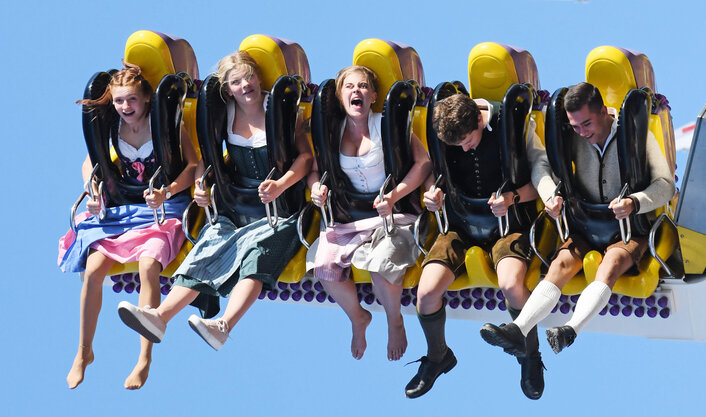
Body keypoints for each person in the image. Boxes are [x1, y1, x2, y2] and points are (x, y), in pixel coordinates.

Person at [116, 51, 312, 355]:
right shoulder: (226, 114)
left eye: (249, 77)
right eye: (236, 81)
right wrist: (201, 185)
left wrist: (281, 184)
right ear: (227, 88)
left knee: (255, 257)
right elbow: (207, 161)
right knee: (205, 249)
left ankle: (224, 326)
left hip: (279, 210)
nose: (245, 85)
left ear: (258, 78)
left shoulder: (281, 111)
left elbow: (305, 157)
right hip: (236, 204)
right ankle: (159, 317)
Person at [480, 82, 675, 368]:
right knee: (560, 264)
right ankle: (518, 329)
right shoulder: (573, 137)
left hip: (629, 227)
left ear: (603, 113)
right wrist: (550, 195)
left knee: (612, 262)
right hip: (584, 222)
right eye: (575, 126)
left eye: (587, 123)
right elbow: (541, 167)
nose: (582, 132)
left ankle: (570, 329)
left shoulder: (636, 136)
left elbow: (666, 185)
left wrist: (635, 201)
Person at [59, 63, 198, 389]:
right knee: (93, 271)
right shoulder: (112, 128)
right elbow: (91, 162)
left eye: (131, 100)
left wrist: (168, 191)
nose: (125, 108)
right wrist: (93, 192)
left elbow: (193, 166)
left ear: (146, 98)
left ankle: (144, 357)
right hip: (123, 209)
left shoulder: (165, 126)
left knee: (148, 266)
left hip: (161, 209)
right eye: (120, 101)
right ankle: (84, 352)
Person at [405, 92, 551, 399]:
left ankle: (529, 354)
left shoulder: (513, 126)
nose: (465, 148)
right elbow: (433, 172)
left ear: (479, 120)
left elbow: (542, 174)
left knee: (511, 285)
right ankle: (437, 356)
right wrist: (431, 192)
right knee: (426, 292)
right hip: (459, 225)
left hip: (509, 225)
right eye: (457, 145)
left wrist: (512, 198)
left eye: (468, 140)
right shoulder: (446, 133)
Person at [308, 65, 431, 361]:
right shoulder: (332, 134)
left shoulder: (387, 125)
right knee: (323, 265)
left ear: (374, 95)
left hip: (394, 215)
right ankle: (358, 318)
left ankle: (394, 320)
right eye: (349, 87)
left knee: (379, 265)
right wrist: (315, 189)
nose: (356, 91)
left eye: (363, 86)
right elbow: (314, 170)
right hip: (351, 218)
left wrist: (395, 195)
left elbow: (424, 163)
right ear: (340, 96)